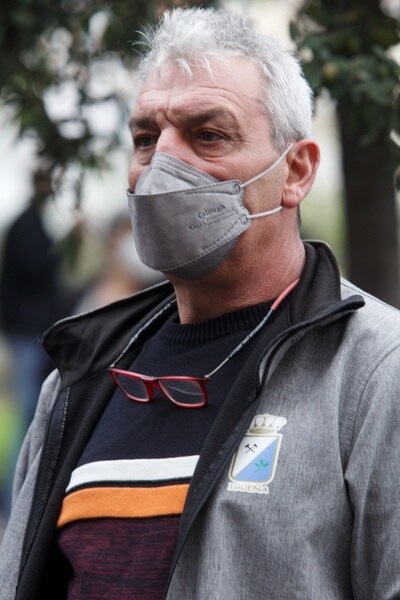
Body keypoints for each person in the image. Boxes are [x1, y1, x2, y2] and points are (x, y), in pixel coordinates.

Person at [1, 7, 400, 599]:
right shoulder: (83, 377)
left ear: (296, 171)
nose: (163, 166)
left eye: (208, 135)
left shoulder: (375, 371)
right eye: (145, 140)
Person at [0, 166, 78, 517]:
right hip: (26, 332)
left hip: (28, 331)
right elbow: (38, 272)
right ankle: (12, 500)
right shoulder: (26, 226)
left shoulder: (32, 223)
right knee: (29, 412)